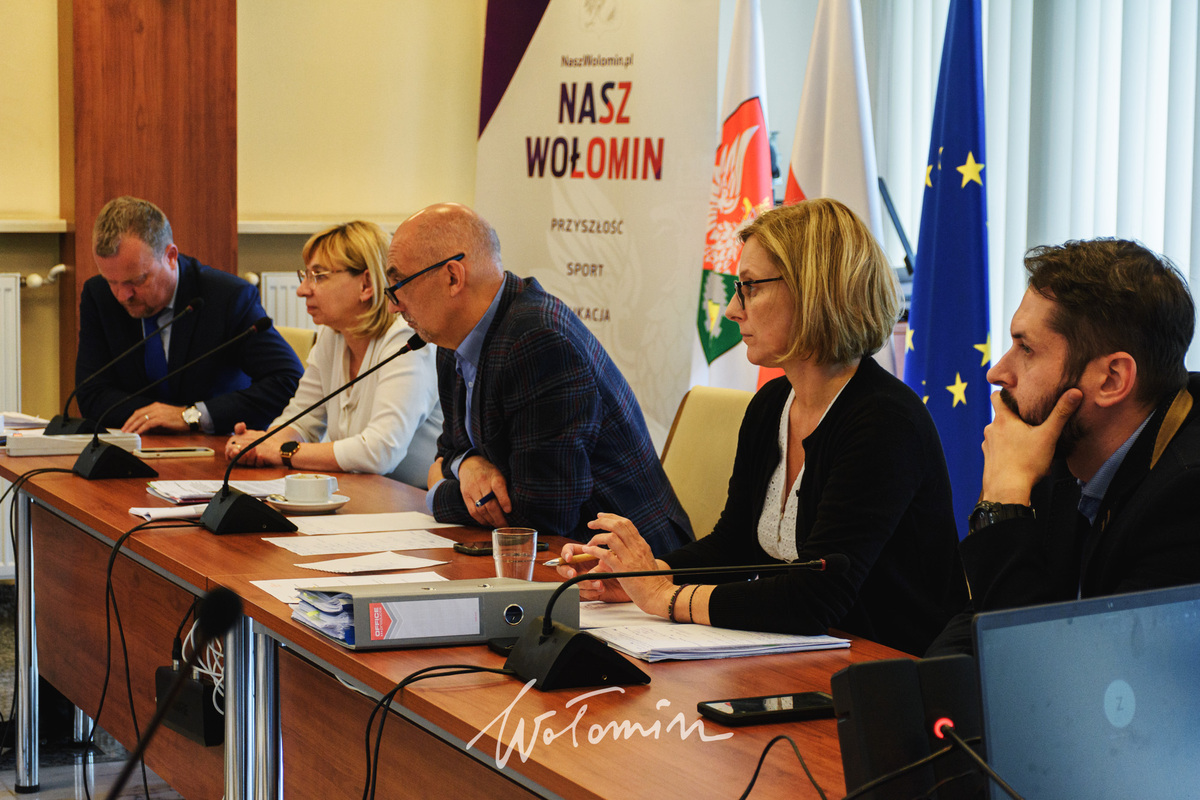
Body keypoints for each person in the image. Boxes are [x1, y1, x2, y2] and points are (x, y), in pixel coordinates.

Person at [558, 198, 966, 656]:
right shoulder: (772, 403)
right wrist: (640, 576)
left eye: (750, 287)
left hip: (893, 668)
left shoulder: (885, 422)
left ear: (813, 291)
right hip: (806, 656)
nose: (734, 309)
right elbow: (733, 547)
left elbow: (816, 598)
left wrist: (664, 597)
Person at [927, 238, 1200, 655]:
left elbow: (1050, 673)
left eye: (1026, 349)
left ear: (1111, 379)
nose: (997, 372)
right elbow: (977, 623)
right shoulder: (1064, 446)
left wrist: (1004, 501)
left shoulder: (1186, 496)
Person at [383, 202, 692, 554]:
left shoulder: (537, 339)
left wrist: (438, 492)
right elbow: (449, 449)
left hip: (633, 564)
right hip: (558, 555)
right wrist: (467, 463)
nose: (394, 305)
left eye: (398, 285)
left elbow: (542, 514)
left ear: (453, 277)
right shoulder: (451, 339)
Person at [223, 221, 443, 488]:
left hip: (415, 500)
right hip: (361, 491)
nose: (302, 290)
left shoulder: (407, 340)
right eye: (305, 276)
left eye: (318, 276)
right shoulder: (333, 335)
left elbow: (381, 451)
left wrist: (283, 451)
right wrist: (260, 444)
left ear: (366, 284)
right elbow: (302, 420)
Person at [75, 196, 302, 434]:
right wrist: (157, 417)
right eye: (111, 281)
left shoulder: (227, 297)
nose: (122, 295)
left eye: (138, 280)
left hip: (216, 444)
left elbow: (288, 381)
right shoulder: (98, 295)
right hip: (138, 445)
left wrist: (191, 415)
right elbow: (91, 393)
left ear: (171, 256)